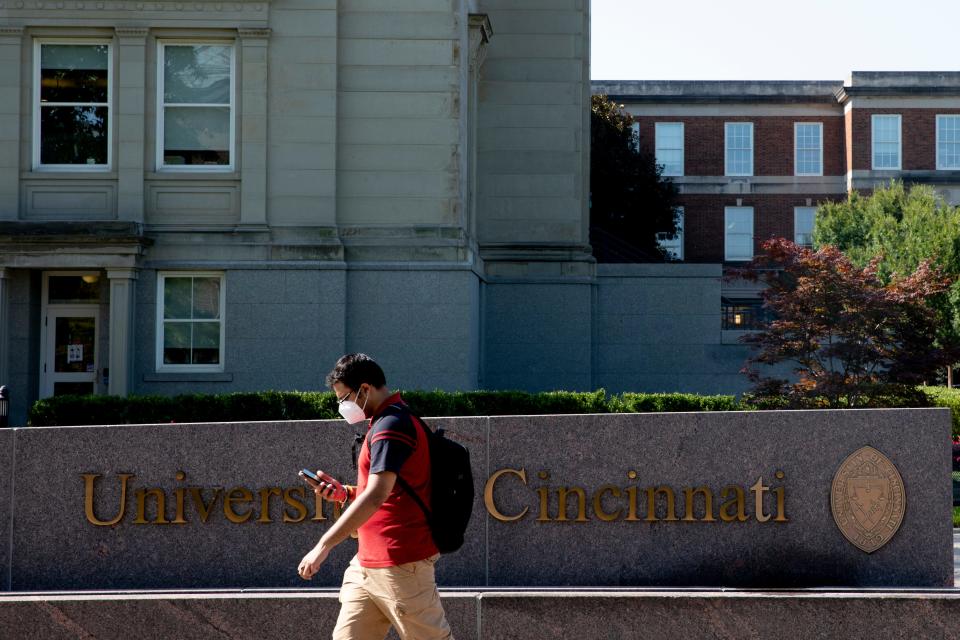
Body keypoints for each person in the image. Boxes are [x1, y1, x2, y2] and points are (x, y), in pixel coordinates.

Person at [297, 353, 454, 640]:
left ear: (366, 389)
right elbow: (389, 492)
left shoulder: (392, 425)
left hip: (401, 563)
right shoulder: (385, 422)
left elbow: (376, 496)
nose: (343, 406)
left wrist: (323, 545)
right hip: (367, 564)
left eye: (345, 397)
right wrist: (346, 493)